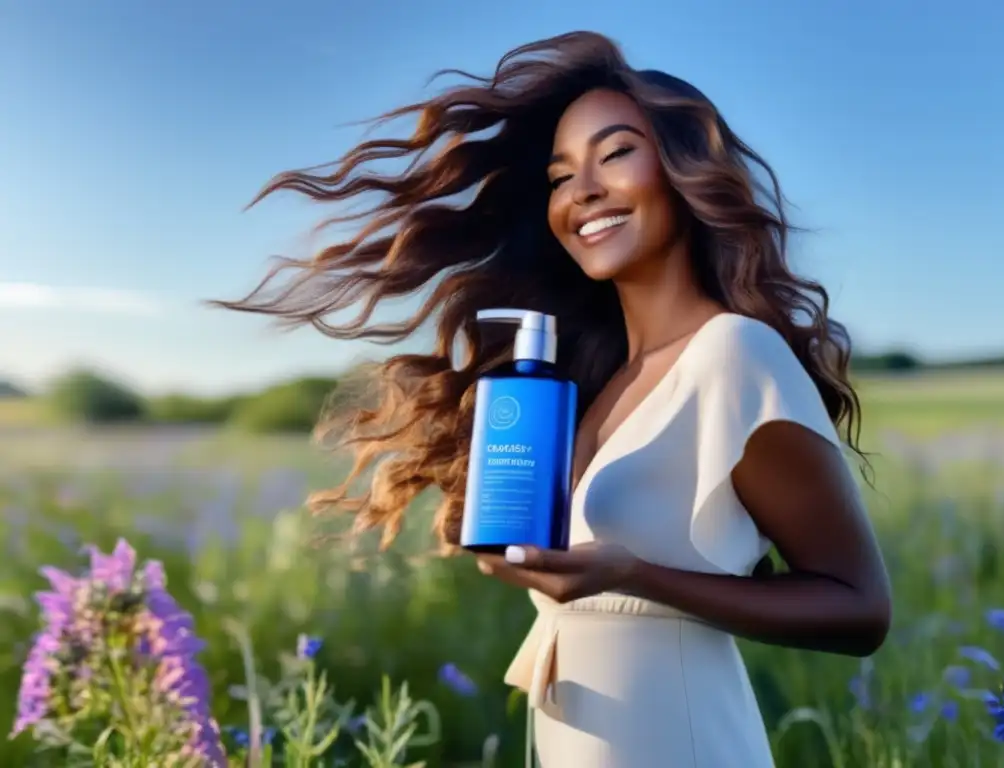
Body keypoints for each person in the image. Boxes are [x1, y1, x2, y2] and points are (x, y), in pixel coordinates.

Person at [218, 30, 892, 768]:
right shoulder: (595, 383)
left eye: (616, 153)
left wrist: (635, 576)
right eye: (561, 175)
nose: (584, 191)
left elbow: (859, 608)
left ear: (683, 168)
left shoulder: (734, 353)